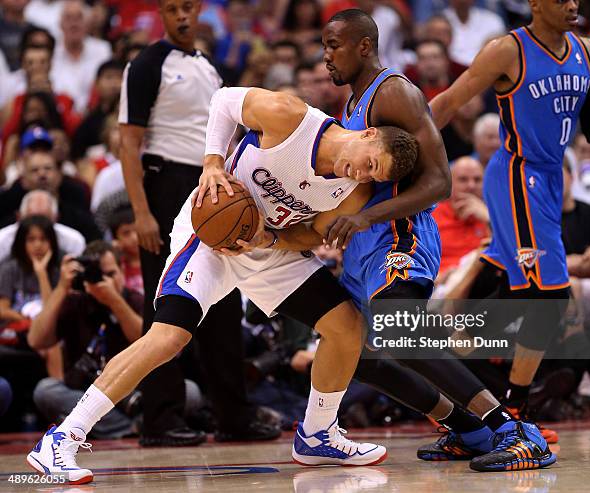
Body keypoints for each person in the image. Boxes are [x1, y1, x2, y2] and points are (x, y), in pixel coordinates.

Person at [26, 82, 419, 481]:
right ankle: (61, 439)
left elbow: (313, 233)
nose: (362, 173)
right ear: (368, 134)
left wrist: (269, 239)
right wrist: (213, 163)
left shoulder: (354, 191)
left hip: (267, 247)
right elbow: (223, 101)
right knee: (168, 337)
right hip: (210, 236)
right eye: (370, 162)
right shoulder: (290, 116)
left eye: (373, 174)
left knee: (347, 327)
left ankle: (318, 434)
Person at [320, 8, 554, 472]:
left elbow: (439, 183)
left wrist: (367, 218)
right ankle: (469, 429)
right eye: (324, 46)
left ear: (364, 46)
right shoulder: (351, 104)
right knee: (350, 351)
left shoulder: (395, 93)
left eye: (334, 45)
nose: (325, 56)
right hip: (367, 241)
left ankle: (513, 429)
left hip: (400, 233)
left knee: (401, 330)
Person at [430, 0, 590, 450]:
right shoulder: (507, 49)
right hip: (516, 175)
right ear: (534, 4)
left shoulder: (585, 50)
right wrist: (407, 154)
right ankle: (514, 414)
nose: (572, 5)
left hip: (551, 178)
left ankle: (471, 413)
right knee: (550, 300)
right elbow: (451, 100)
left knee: (515, 297)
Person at [117, 0, 279, 447]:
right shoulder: (147, 63)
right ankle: (161, 417)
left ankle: (233, 413)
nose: (182, 17)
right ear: (162, 16)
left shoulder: (210, 66)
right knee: (166, 303)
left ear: (200, 11)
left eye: (188, 7)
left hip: (211, 182)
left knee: (222, 297)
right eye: (173, 10)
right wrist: (141, 212)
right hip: (165, 181)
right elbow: (128, 145)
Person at [27, 241, 144, 439]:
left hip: (135, 391)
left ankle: (97, 428)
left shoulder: (134, 300)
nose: (104, 281)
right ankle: (133, 428)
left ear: (122, 270)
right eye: (98, 275)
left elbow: (144, 340)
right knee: (45, 390)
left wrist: (114, 301)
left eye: (111, 274)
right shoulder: (76, 302)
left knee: (189, 391)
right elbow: (36, 340)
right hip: (85, 394)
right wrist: (62, 287)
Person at [433, 156, 489, 278]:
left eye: (477, 180)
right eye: (463, 179)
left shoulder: (493, 216)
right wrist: (439, 278)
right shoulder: (431, 217)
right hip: (442, 285)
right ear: (449, 183)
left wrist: (488, 218)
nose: (471, 186)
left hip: (482, 282)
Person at [0, 190, 85, 263]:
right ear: (19, 218)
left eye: (44, 221)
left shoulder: (73, 241)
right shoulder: (2, 239)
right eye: (32, 219)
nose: (38, 226)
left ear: (55, 218)